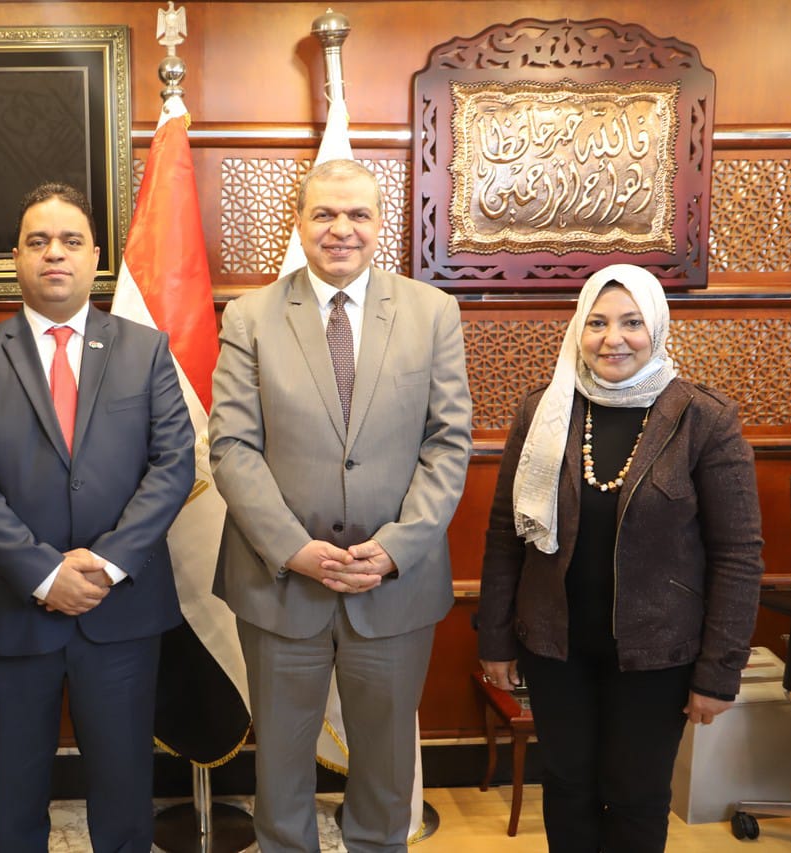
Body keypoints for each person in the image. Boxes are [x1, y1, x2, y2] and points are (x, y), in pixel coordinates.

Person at [209, 159, 473, 852]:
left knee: (385, 780)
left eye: (358, 214)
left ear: (381, 224)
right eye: (324, 213)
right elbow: (232, 446)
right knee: (281, 778)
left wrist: (395, 548)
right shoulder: (250, 316)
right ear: (298, 222)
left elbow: (449, 443)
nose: (341, 229)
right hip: (281, 586)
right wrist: (293, 549)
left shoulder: (432, 312)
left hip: (394, 588)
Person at [0, 183, 194, 852]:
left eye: (71, 240)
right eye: (39, 241)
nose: (55, 252)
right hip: (18, 611)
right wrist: (45, 574)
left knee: (125, 794)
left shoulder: (146, 349)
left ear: (95, 256)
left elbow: (174, 465)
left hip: (121, 611)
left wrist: (106, 563)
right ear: (16, 257)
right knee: (14, 797)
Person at [476, 263, 765, 853]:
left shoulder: (704, 419)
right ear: (578, 329)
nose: (614, 339)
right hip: (554, 647)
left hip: (658, 655)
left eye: (632, 322)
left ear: (657, 327)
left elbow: (738, 556)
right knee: (566, 787)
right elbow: (506, 534)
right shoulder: (544, 410)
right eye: (598, 323)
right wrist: (496, 640)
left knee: (636, 797)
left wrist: (719, 672)